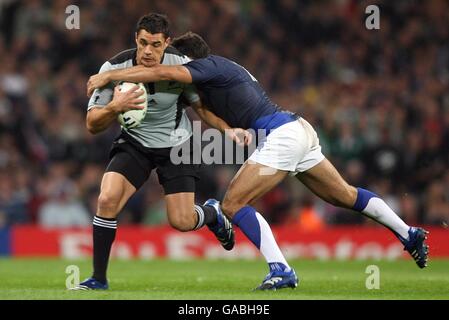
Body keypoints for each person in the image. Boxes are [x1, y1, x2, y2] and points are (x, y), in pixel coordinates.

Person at [87, 32, 430, 291]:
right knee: (345, 195)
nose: (171, 64)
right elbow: (203, 108)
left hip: (281, 136)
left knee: (233, 204)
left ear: (191, 60)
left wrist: (108, 77)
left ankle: (281, 269)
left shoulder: (206, 67)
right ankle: (408, 232)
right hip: (298, 130)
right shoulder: (226, 69)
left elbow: (169, 74)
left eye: (178, 58)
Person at [75, 17, 250, 290]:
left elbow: (201, 108)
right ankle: (98, 279)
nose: (147, 51)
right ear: (136, 39)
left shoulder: (180, 64)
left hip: (178, 145)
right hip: (135, 143)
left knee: (181, 221)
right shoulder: (113, 67)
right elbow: (92, 124)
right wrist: (114, 106)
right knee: (107, 199)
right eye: (143, 43)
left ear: (166, 43)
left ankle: (212, 214)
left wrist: (227, 130)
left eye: (155, 45)